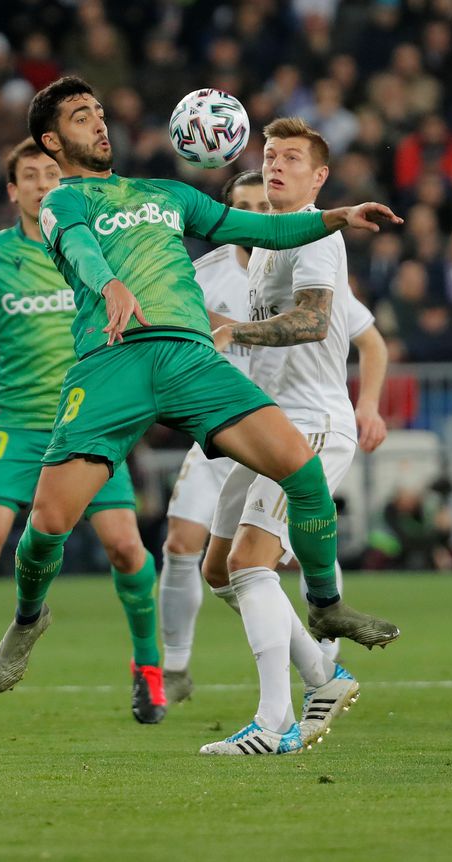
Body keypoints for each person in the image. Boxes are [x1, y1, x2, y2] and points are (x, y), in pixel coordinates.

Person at [0, 76, 402, 709]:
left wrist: (338, 215)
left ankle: (325, 606)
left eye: (99, 112)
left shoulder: (167, 193)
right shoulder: (61, 203)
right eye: (80, 117)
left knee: (300, 465)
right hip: (112, 362)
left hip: (189, 356)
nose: (99, 123)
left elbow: (259, 229)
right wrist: (110, 286)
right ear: (51, 140)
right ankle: (28, 616)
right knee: (47, 523)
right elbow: (77, 247)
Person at [0, 139, 164, 727]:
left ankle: (148, 668)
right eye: (29, 175)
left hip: (90, 420)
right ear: (13, 189)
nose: (41, 183)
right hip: (16, 425)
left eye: (51, 173)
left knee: (127, 547)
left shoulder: (95, 244)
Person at [198, 118, 391, 756]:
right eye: (270, 154)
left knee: (252, 562)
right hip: (267, 426)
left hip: (310, 425)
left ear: (320, 177)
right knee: (220, 570)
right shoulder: (272, 243)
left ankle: (274, 722)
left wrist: (236, 332)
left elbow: (311, 323)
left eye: (291, 158)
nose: (275, 165)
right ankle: (322, 675)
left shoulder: (317, 240)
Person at [158, 170, 266, 704]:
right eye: (240, 206)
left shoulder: (301, 267)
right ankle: (173, 665)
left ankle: (325, 652)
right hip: (217, 433)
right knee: (180, 542)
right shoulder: (203, 274)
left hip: (275, 433)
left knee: (278, 555)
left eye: (260, 205)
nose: (250, 215)